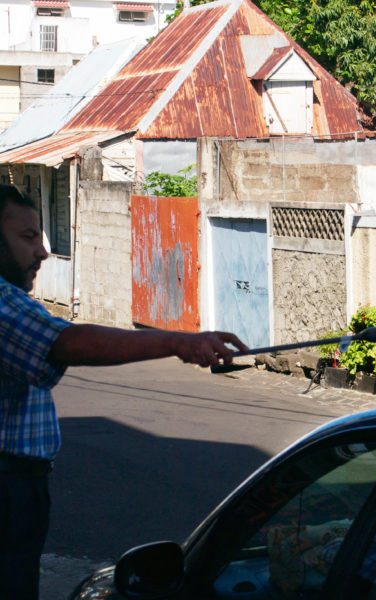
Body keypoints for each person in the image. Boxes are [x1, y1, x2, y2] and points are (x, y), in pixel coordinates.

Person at [0, 183, 248, 599]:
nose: (42, 252)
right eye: (27, 238)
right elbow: (68, 342)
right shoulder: (5, 304)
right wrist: (176, 342)